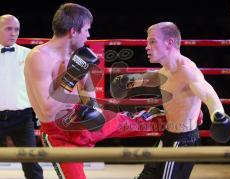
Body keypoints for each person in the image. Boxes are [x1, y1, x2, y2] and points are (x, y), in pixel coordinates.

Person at [24, 3, 167, 179]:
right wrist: (72, 75)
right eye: (86, 29)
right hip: (58, 133)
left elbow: (89, 93)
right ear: (73, 31)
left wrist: (92, 108)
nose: (89, 35)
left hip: (81, 119)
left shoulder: (78, 54)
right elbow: (47, 109)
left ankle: (173, 118)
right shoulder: (40, 57)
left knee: (129, 122)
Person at [111, 22, 230, 179]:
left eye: (153, 41)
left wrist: (218, 115)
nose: (147, 47)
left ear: (169, 42)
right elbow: (155, 77)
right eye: (147, 42)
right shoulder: (167, 69)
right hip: (170, 135)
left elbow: (208, 94)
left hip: (182, 141)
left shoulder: (187, 70)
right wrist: (131, 80)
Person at [0, 14, 43, 179]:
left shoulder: (29, 55)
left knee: (31, 164)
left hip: (22, 117)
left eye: (16, 29)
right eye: (8, 29)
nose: (13, 33)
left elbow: (39, 86)